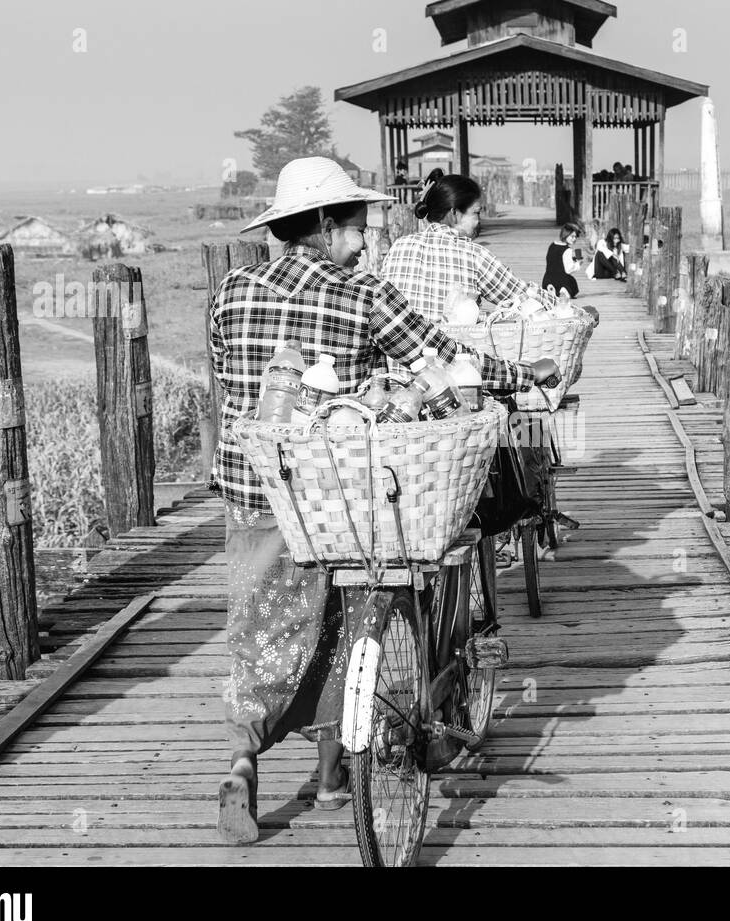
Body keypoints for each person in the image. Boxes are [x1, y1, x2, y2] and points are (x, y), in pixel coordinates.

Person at [209, 157, 561, 844]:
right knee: (346, 622)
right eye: (355, 225)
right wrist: (519, 371)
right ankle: (336, 776)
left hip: (258, 489)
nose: (368, 238)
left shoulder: (230, 290)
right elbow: (443, 355)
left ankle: (242, 759)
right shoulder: (363, 295)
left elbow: (230, 381)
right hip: (341, 494)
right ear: (321, 225)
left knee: (258, 626)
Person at [380, 174, 557, 322]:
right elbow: (521, 295)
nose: (479, 221)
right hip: (453, 359)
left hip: (400, 359)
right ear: (454, 213)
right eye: (476, 213)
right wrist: (564, 306)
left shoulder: (398, 246)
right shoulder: (473, 255)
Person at [542, 224, 582, 298]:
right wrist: (578, 264)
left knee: (555, 279)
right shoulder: (567, 250)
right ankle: (561, 291)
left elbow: (555, 261)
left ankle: (551, 289)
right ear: (565, 235)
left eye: (576, 237)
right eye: (572, 236)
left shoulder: (553, 245)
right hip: (561, 281)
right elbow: (568, 270)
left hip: (547, 279)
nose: (574, 239)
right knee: (572, 282)